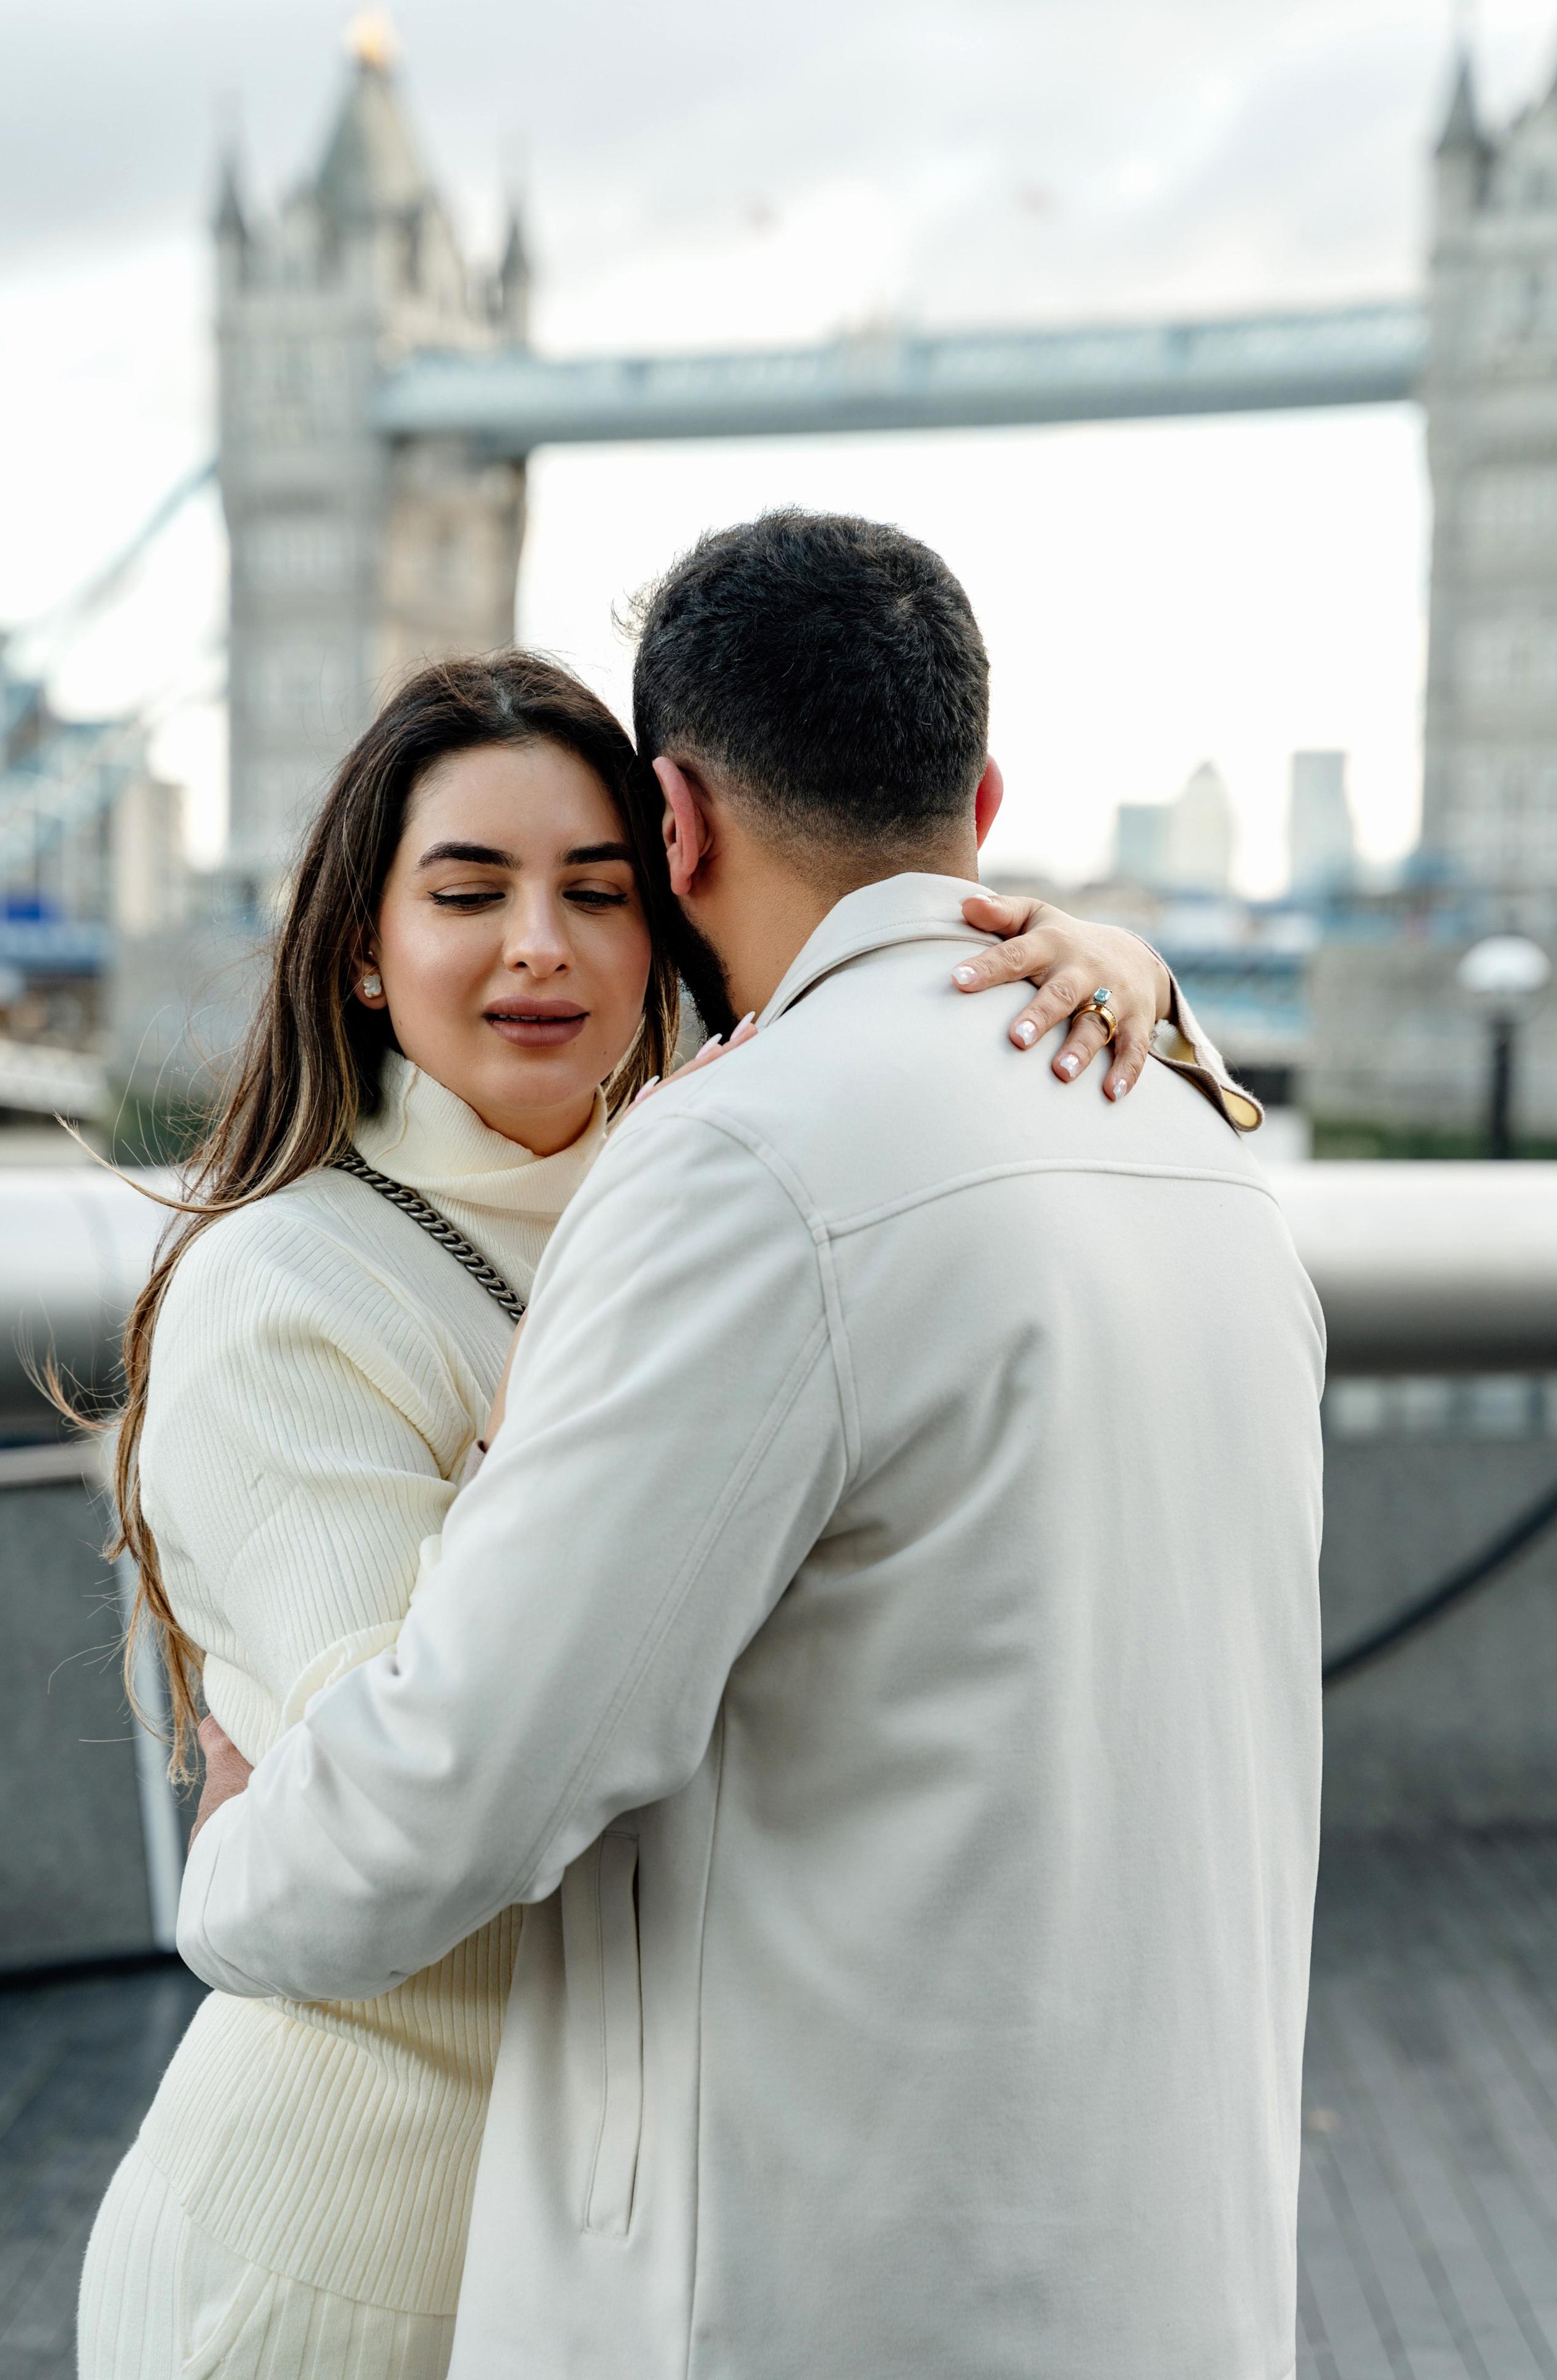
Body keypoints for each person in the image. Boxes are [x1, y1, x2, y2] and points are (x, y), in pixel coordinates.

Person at [179, 513, 1323, 2380]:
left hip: (813, 2282)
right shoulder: (1193, 1133)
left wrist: (228, 1858)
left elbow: (470, 1776)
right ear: (985, 794)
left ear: (678, 827)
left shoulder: (743, 1163)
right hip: (1164, 2272)